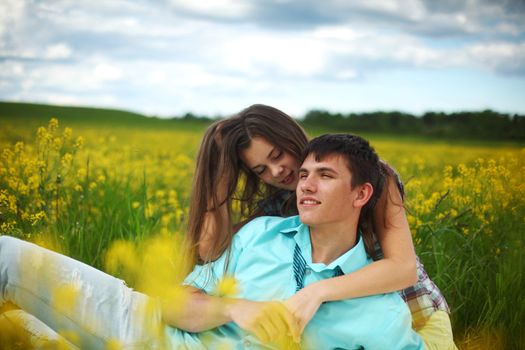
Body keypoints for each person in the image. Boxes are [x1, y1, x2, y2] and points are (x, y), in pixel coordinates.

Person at [0, 134, 424, 349]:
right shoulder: (261, 234)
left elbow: (404, 267)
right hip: (155, 334)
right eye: (304, 174)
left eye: (325, 176)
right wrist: (234, 308)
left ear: (362, 194)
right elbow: (173, 303)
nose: (303, 186)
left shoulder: (381, 312)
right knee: (6, 253)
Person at [187, 104, 455, 349]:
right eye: (261, 170)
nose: (276, 171)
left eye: (278, 155)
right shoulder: (279, 202)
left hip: (413, 308)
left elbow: (402, 269)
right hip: (347, 320)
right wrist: (218, 176)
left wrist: (316, 292)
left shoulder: (367, 174)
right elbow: (209, 250)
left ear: (289, 135)